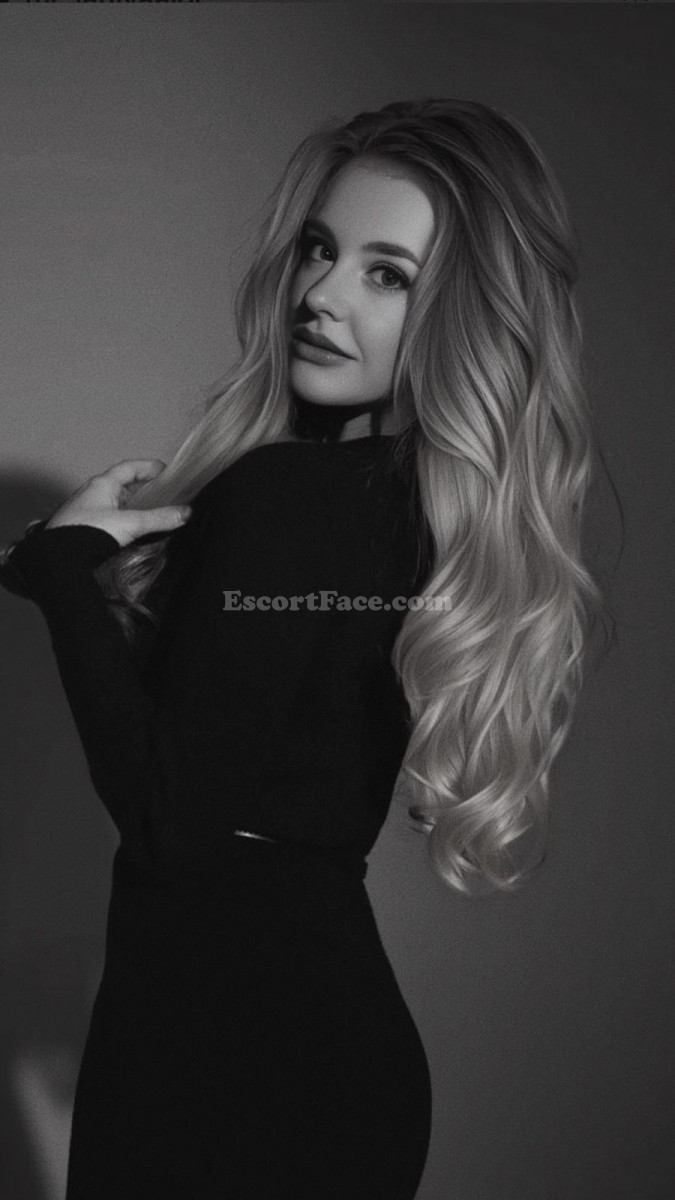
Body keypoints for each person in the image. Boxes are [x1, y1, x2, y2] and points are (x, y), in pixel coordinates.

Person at [0, 98, 609, 1198]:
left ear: (464, 312)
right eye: (320, 251)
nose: (321, 295)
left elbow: (168, 824)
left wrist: (60, 579)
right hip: (304, 1056)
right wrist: (68, 571)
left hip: (228, 1068)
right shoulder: (406, 516)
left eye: (388, 274)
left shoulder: (290, 498)